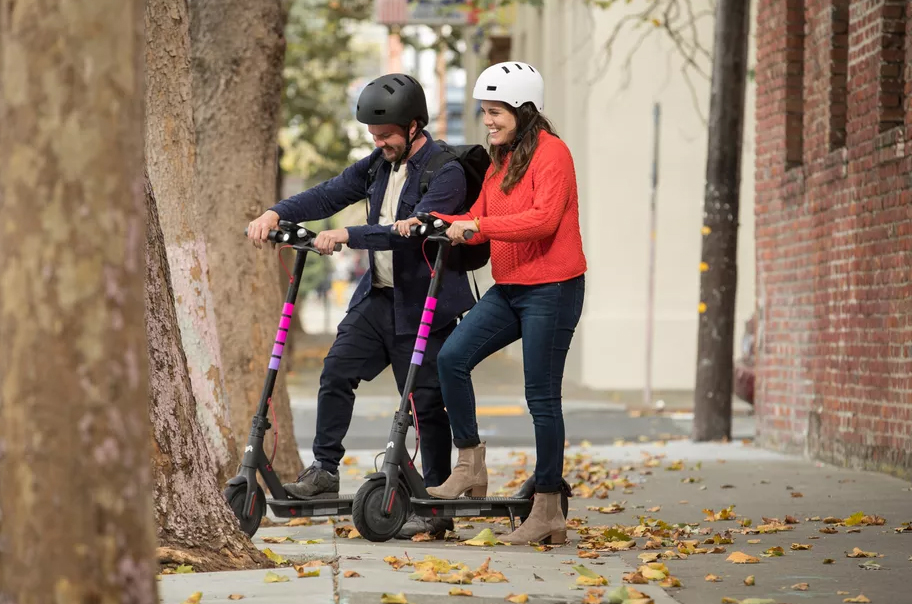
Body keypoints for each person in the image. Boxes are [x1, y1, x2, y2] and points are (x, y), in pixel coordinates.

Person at [247, 73, 476, 539]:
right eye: (373, 135)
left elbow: (409, 231)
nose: (379, 142)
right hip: (378, 299)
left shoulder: (445, 173)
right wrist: (277, 211)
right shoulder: (377, 166)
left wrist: (349, 234)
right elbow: (329, 192)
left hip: (424, 303)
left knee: (425, 405)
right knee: (336, 371)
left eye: (386, 134)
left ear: (414, 126)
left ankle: (433, 502)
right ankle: (325, 470)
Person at [409, 61, 587, 545]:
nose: (487, 121)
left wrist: (479, 228)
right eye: (484, 112)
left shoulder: (553, 155)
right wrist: (433, 220)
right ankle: (470, 465)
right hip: (510, 289)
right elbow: (478, 215)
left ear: (524, 108)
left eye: (495, 112)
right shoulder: (501, 161)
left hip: (552, 288)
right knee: (451, 358)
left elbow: (543, 221)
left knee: (542, 398)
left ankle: (548, 508)